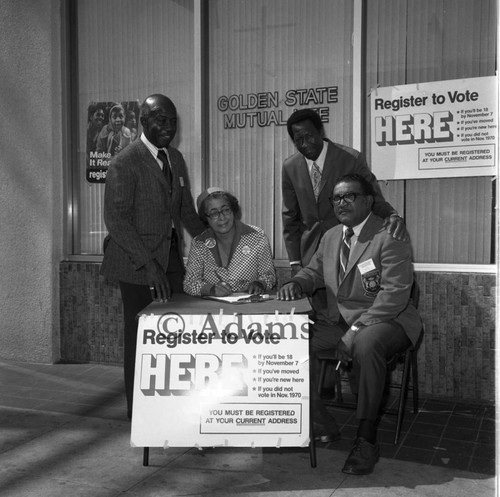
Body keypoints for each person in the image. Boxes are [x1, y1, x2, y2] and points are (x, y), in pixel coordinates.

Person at [278, 173, 422, 475]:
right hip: (339, 322)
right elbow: (313, 272)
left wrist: (356, 330)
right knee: (290, 343)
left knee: (366, 345)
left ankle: (366, 440)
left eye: (349, 196)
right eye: (336, 198)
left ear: (368, 200)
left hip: (387, 319)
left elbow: (395, 294)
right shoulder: (331, 236)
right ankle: (321, 422)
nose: (341, 202)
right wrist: (296, 283)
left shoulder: (389, 235)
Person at [101, 93, 205, 419]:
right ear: (144, 122)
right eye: (162, 120)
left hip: (170, 258)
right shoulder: (124, 162)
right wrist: (148, 265)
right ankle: (140, 415)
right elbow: (116, 219)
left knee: (174, 332)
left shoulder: (175, 158)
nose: (169, 128)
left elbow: (186, 211)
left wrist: (216, 240)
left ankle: (169, 404)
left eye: (173, 122)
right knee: (141, 337)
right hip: (136, 264)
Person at [281, 108, 408, 329]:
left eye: (309, 135)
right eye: (298, 139)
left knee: (345, 318)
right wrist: (295, 262)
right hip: (312, 254)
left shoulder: (350, 158)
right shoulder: (290, 166)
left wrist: (393, 216)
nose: (304, 143)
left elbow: (373, 198)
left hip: (348, 248)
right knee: (318, 322)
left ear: (321, 131)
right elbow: (290, 216)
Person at [184, 187, 276, 297]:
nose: (222, 217)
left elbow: (269, 275)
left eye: (226, 210)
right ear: (206, 218)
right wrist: (210, 289)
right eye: (214, 213)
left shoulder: (257, 236)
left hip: (249, 307)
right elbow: (189, 283)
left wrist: (260, 283)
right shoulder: (199, 243)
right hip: (213, 309)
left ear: (233, 210)